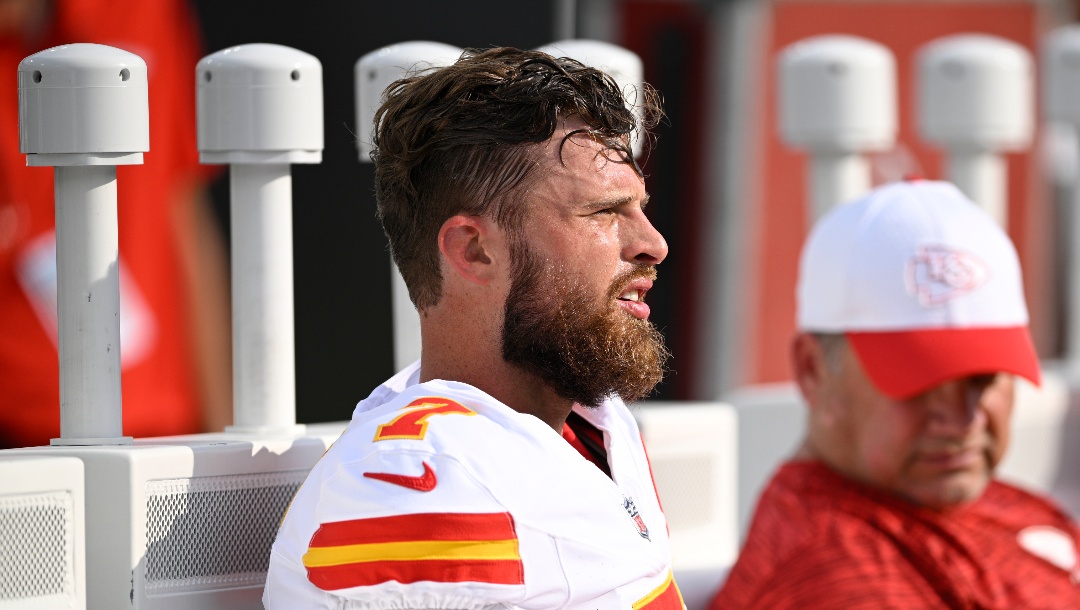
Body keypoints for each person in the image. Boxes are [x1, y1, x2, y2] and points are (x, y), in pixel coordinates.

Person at [264, 47, 683, 609]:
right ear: (474, 250)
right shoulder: (416, 486)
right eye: (603, 212)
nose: (653, 243)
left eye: (640, 208)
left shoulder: (589, 420)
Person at [710, 179, 1080, 609]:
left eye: (983, 379)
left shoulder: (957, 499)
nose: (963, 421)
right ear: (813, 370)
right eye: (922, 384)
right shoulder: (838, 578)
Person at [0, 0, 232, 447]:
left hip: (164, 433)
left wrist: (226, 442)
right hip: (17, 438)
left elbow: (183, 211)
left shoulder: (143, 12)